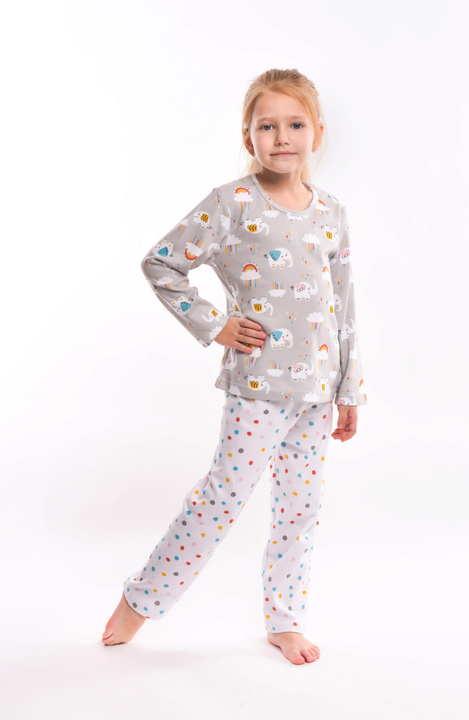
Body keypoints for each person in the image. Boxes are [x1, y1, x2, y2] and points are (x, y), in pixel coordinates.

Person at [102, 68, 367, 665]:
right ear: (248, 137)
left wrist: (349, 388)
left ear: (317, 132)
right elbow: (161, 263)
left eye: (294, 124)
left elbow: (344, 303)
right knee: (220, 500)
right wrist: (213, 324)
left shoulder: (332, 211)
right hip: (257, 387)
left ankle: (285, 619)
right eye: (267, 126)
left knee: (300, 508)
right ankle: (141, 600)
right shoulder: (230, 203)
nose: (282, 137)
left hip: (317, 393)